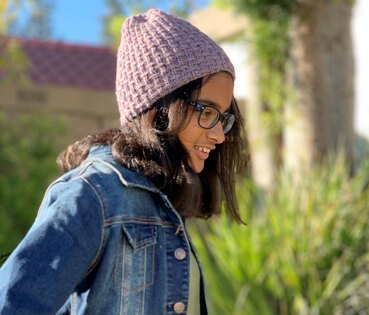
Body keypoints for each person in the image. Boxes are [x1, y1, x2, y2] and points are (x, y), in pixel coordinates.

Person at [0, 8, 248, 315]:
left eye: (222, 118)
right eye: (207, 112)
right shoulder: (94, 195)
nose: (220, 136)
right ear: (160, 107)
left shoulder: (163, 204)